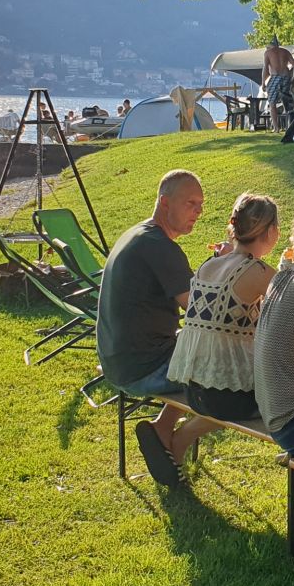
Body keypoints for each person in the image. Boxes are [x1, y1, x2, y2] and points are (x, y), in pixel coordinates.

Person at [158, 194, 281, 469]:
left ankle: (181, 438)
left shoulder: (208, 266)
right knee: (292, 397)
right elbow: (289, 320)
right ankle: (182, 438)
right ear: (271, 231)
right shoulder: (259, 272)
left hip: (193, 388)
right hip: (227, 397)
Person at [98, 170, 205, 486]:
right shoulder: (160, 245)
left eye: (201, 205)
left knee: (202, 348)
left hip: (118, 361)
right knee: (232, 379)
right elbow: (200, 310)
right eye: (191, 203)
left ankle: (162, 428)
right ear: (164, 202)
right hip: (144, 368)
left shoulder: (137, 235)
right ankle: (177, 437)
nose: (198, 212)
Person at [262, 39, 294, 129]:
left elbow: (265, 69)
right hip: (286, 77)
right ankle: (290, 125)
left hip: (275, 77)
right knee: (286, 102)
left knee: (272, 103)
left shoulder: (268, 53)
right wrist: (293, 78)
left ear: (270, 46)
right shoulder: (285, 51)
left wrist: (263, 83)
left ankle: (276, 128)